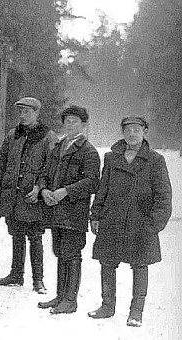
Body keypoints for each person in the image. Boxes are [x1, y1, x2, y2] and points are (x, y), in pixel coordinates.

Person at [87, 117, 172, 327]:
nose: (132, 134)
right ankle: (107, 306)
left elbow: (163, 197)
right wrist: (96, 215)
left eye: (136, 129)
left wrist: (153, 225)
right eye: (128, 130)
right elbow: (102, 190)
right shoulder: (111, 158)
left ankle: (136, 312)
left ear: (144, 132)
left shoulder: (155, 160)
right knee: (107, 263)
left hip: (141, 223)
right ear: (123, 133)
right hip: (112, 220)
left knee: (140, 265)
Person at [37, 105, 100, 314]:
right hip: (55, 211)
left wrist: (66, 191)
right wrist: (44, 189)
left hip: (74, 213)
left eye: (74, 121)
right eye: (67, 121)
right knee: (59, 252)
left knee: (72, 254)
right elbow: (45, 172)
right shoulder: (59, 146)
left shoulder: (88, 151)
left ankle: (70, 300)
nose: (69, 124)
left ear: (83, 124)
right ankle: (60, 296)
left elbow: (92, 182)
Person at [0, 97, 51, 294]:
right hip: (12, 197)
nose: (23, 115)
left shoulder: (48, 137)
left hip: (32, 197)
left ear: (36, 113)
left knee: (35, 237)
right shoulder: (12, 135)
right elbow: (0, 164)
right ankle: (16, 274)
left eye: (28, 112)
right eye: (21, 112)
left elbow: (51, 168)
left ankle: (38, 280)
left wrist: (40, 188)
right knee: (16, 235)